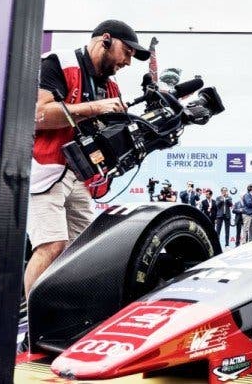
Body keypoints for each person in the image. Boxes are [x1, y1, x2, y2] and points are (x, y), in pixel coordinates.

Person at [25, 19, 150, 297]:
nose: (128, 62)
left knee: (84, 254)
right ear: (105, 40)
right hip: (45, 170)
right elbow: (38, 115)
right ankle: (32, 330)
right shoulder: (58, 62)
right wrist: (95, 107)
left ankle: (72, 323)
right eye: (127, 52)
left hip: (81, 177)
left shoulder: (112, 89)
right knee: (52, 246)